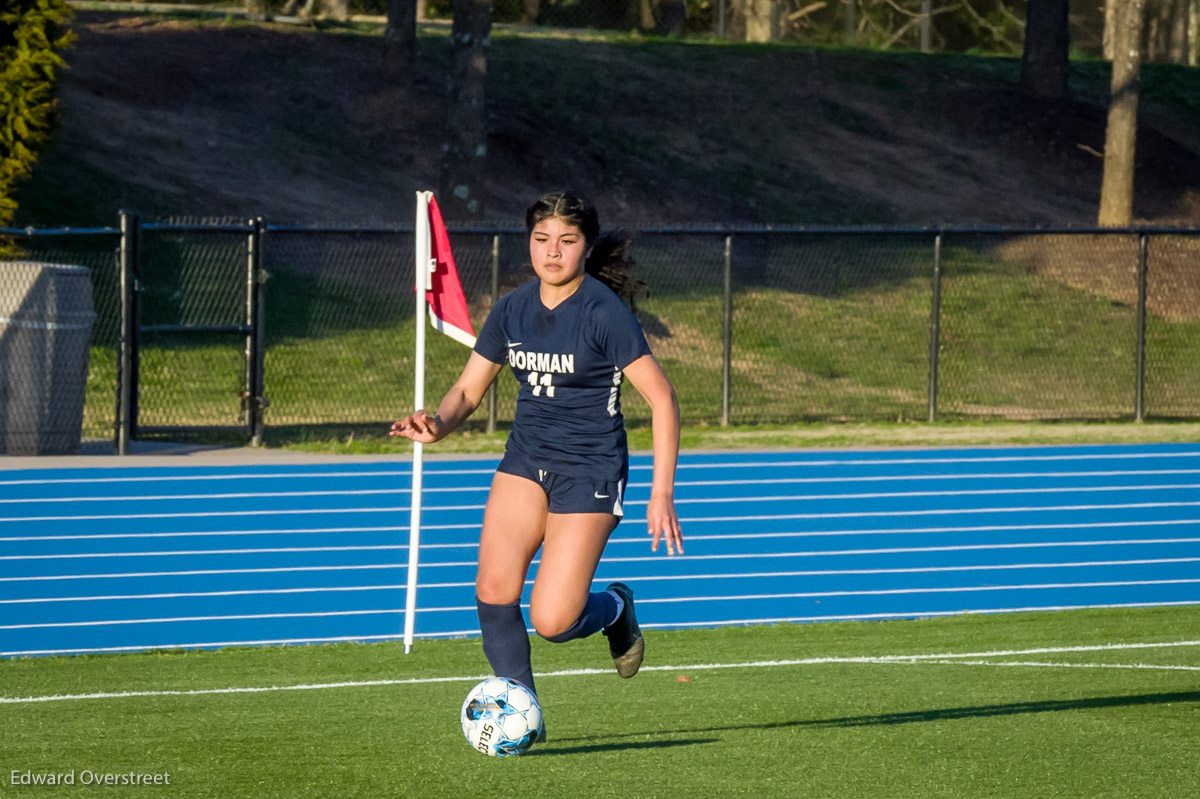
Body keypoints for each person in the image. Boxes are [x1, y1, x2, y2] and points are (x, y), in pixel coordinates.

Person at [390, 190, 683, 707]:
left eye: (567, 241)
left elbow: (662, 399)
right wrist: (436, 423)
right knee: (494, 591)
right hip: (526, 460)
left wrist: (662, 493)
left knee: (554, 620)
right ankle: (520, 709)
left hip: (589, 470)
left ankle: (615, 608)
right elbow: (467, 391)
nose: (552, 252)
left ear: (586, 248)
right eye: (542, 239)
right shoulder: (511, 310)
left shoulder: (603, 311)